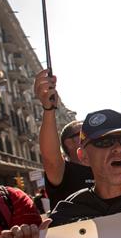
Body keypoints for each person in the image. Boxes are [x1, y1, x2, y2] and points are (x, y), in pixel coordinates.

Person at [34, 69, 94, 205]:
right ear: (69, 143)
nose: (92, 137)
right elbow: (50, 159)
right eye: (84, 133)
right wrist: (49, 110)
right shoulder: (64, 172)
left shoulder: (105, 167)